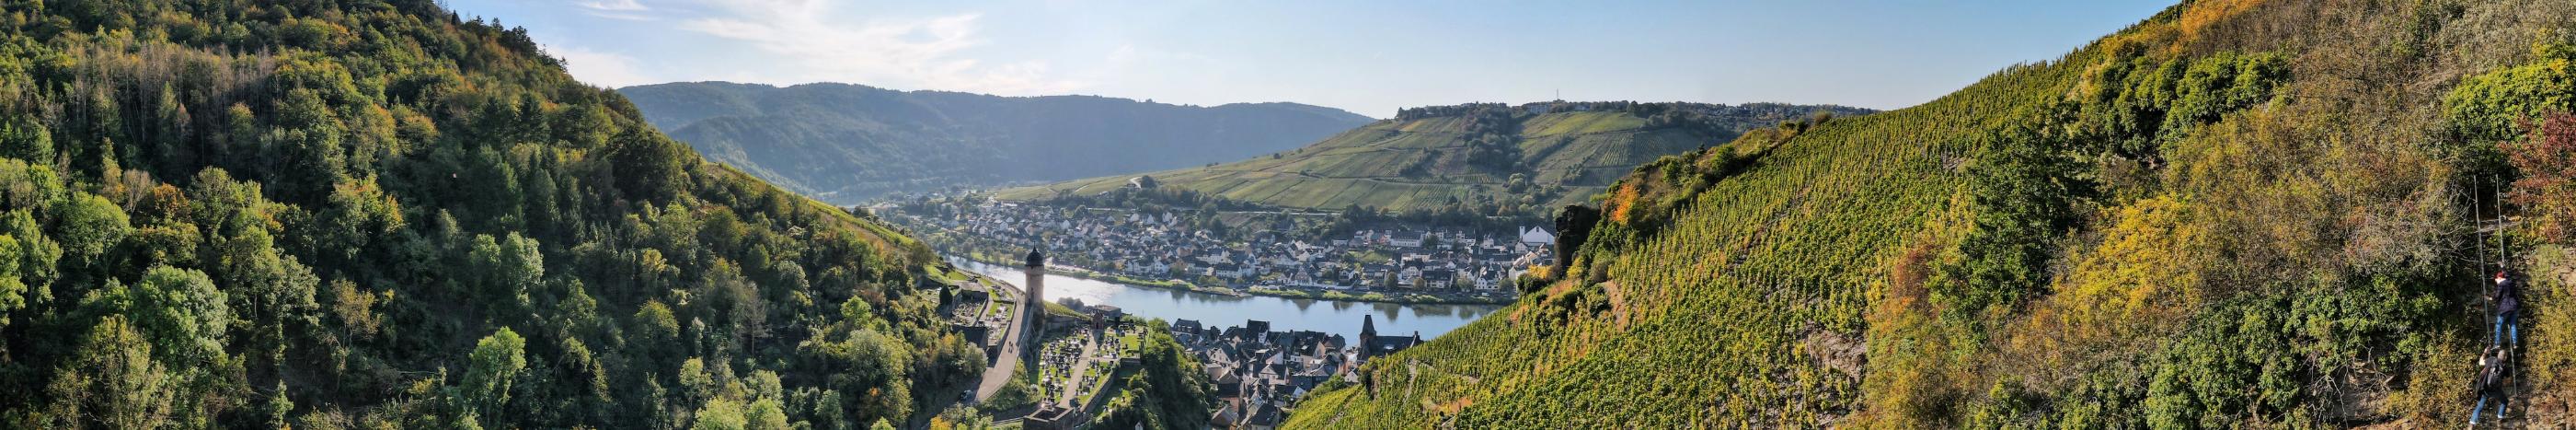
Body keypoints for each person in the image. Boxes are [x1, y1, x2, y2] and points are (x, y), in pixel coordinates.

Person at [2470, 344, 2511, 425]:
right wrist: (2502, 382)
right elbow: (2508, 381)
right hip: (2496, 391)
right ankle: (2500, 419)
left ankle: (2472, 423)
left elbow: (2481, 362)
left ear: (2498, 355)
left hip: (2485, 388)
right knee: (2505, 401)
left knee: (2480, 406)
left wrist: (2485, 353)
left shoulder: (2491, 359)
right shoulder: (2505, 367)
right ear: (2505, 357)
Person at [2494, 272, 2520, 347]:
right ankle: (2515, 343)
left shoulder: (2501, 284)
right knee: (2513, 324)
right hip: (2515, 307)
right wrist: (2503, 267)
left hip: (2506, 308)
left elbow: (2497, 296)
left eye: (2497, 280)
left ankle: (2497, 343)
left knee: (2499, 325)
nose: (2497, 283)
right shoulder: (2510, 281)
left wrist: (2490, 298)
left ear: (2499, 278)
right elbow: (2508, 275)